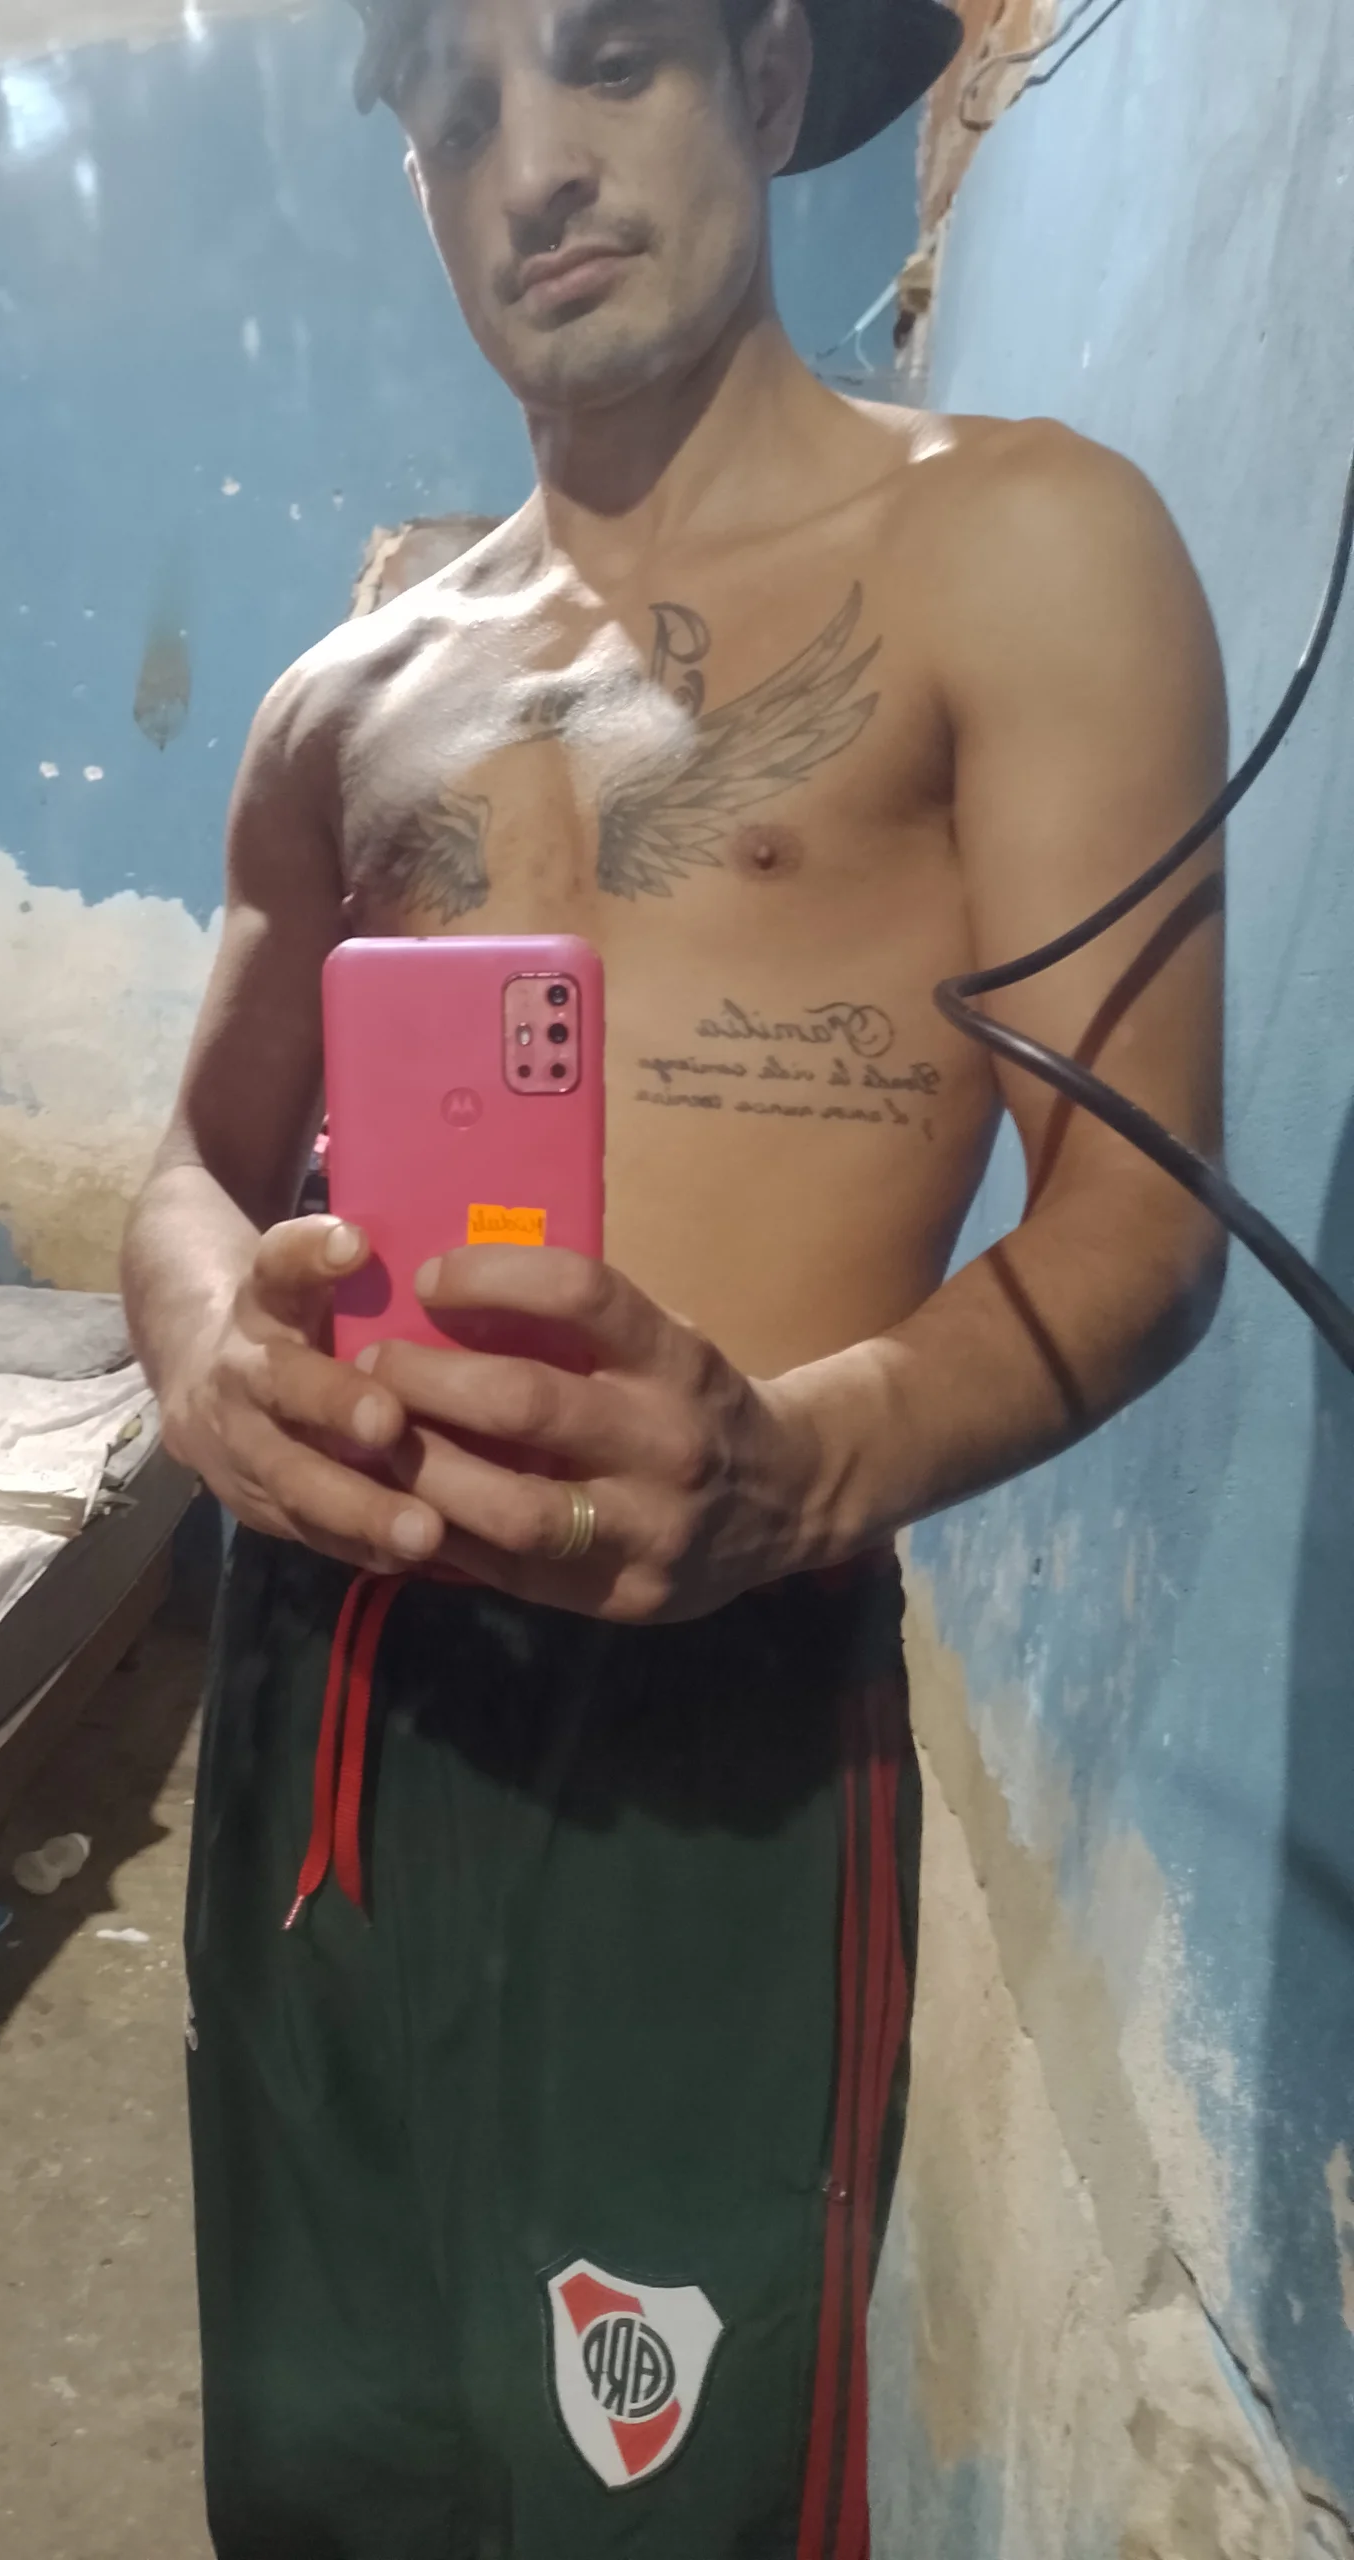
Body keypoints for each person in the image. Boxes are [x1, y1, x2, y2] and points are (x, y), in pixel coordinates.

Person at [122, 0, 1227, 2544]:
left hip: (711, 1703)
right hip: (323, 1693)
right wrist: (199, 1340)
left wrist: (796, 1466)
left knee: (664, 2506)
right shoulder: (344, 695)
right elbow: (189, 1163)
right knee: (323, 2469)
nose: (532, 163)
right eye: (454, 111)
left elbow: (1142, 1213)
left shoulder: (1019, 545)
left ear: (765, 76)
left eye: (607, 57)